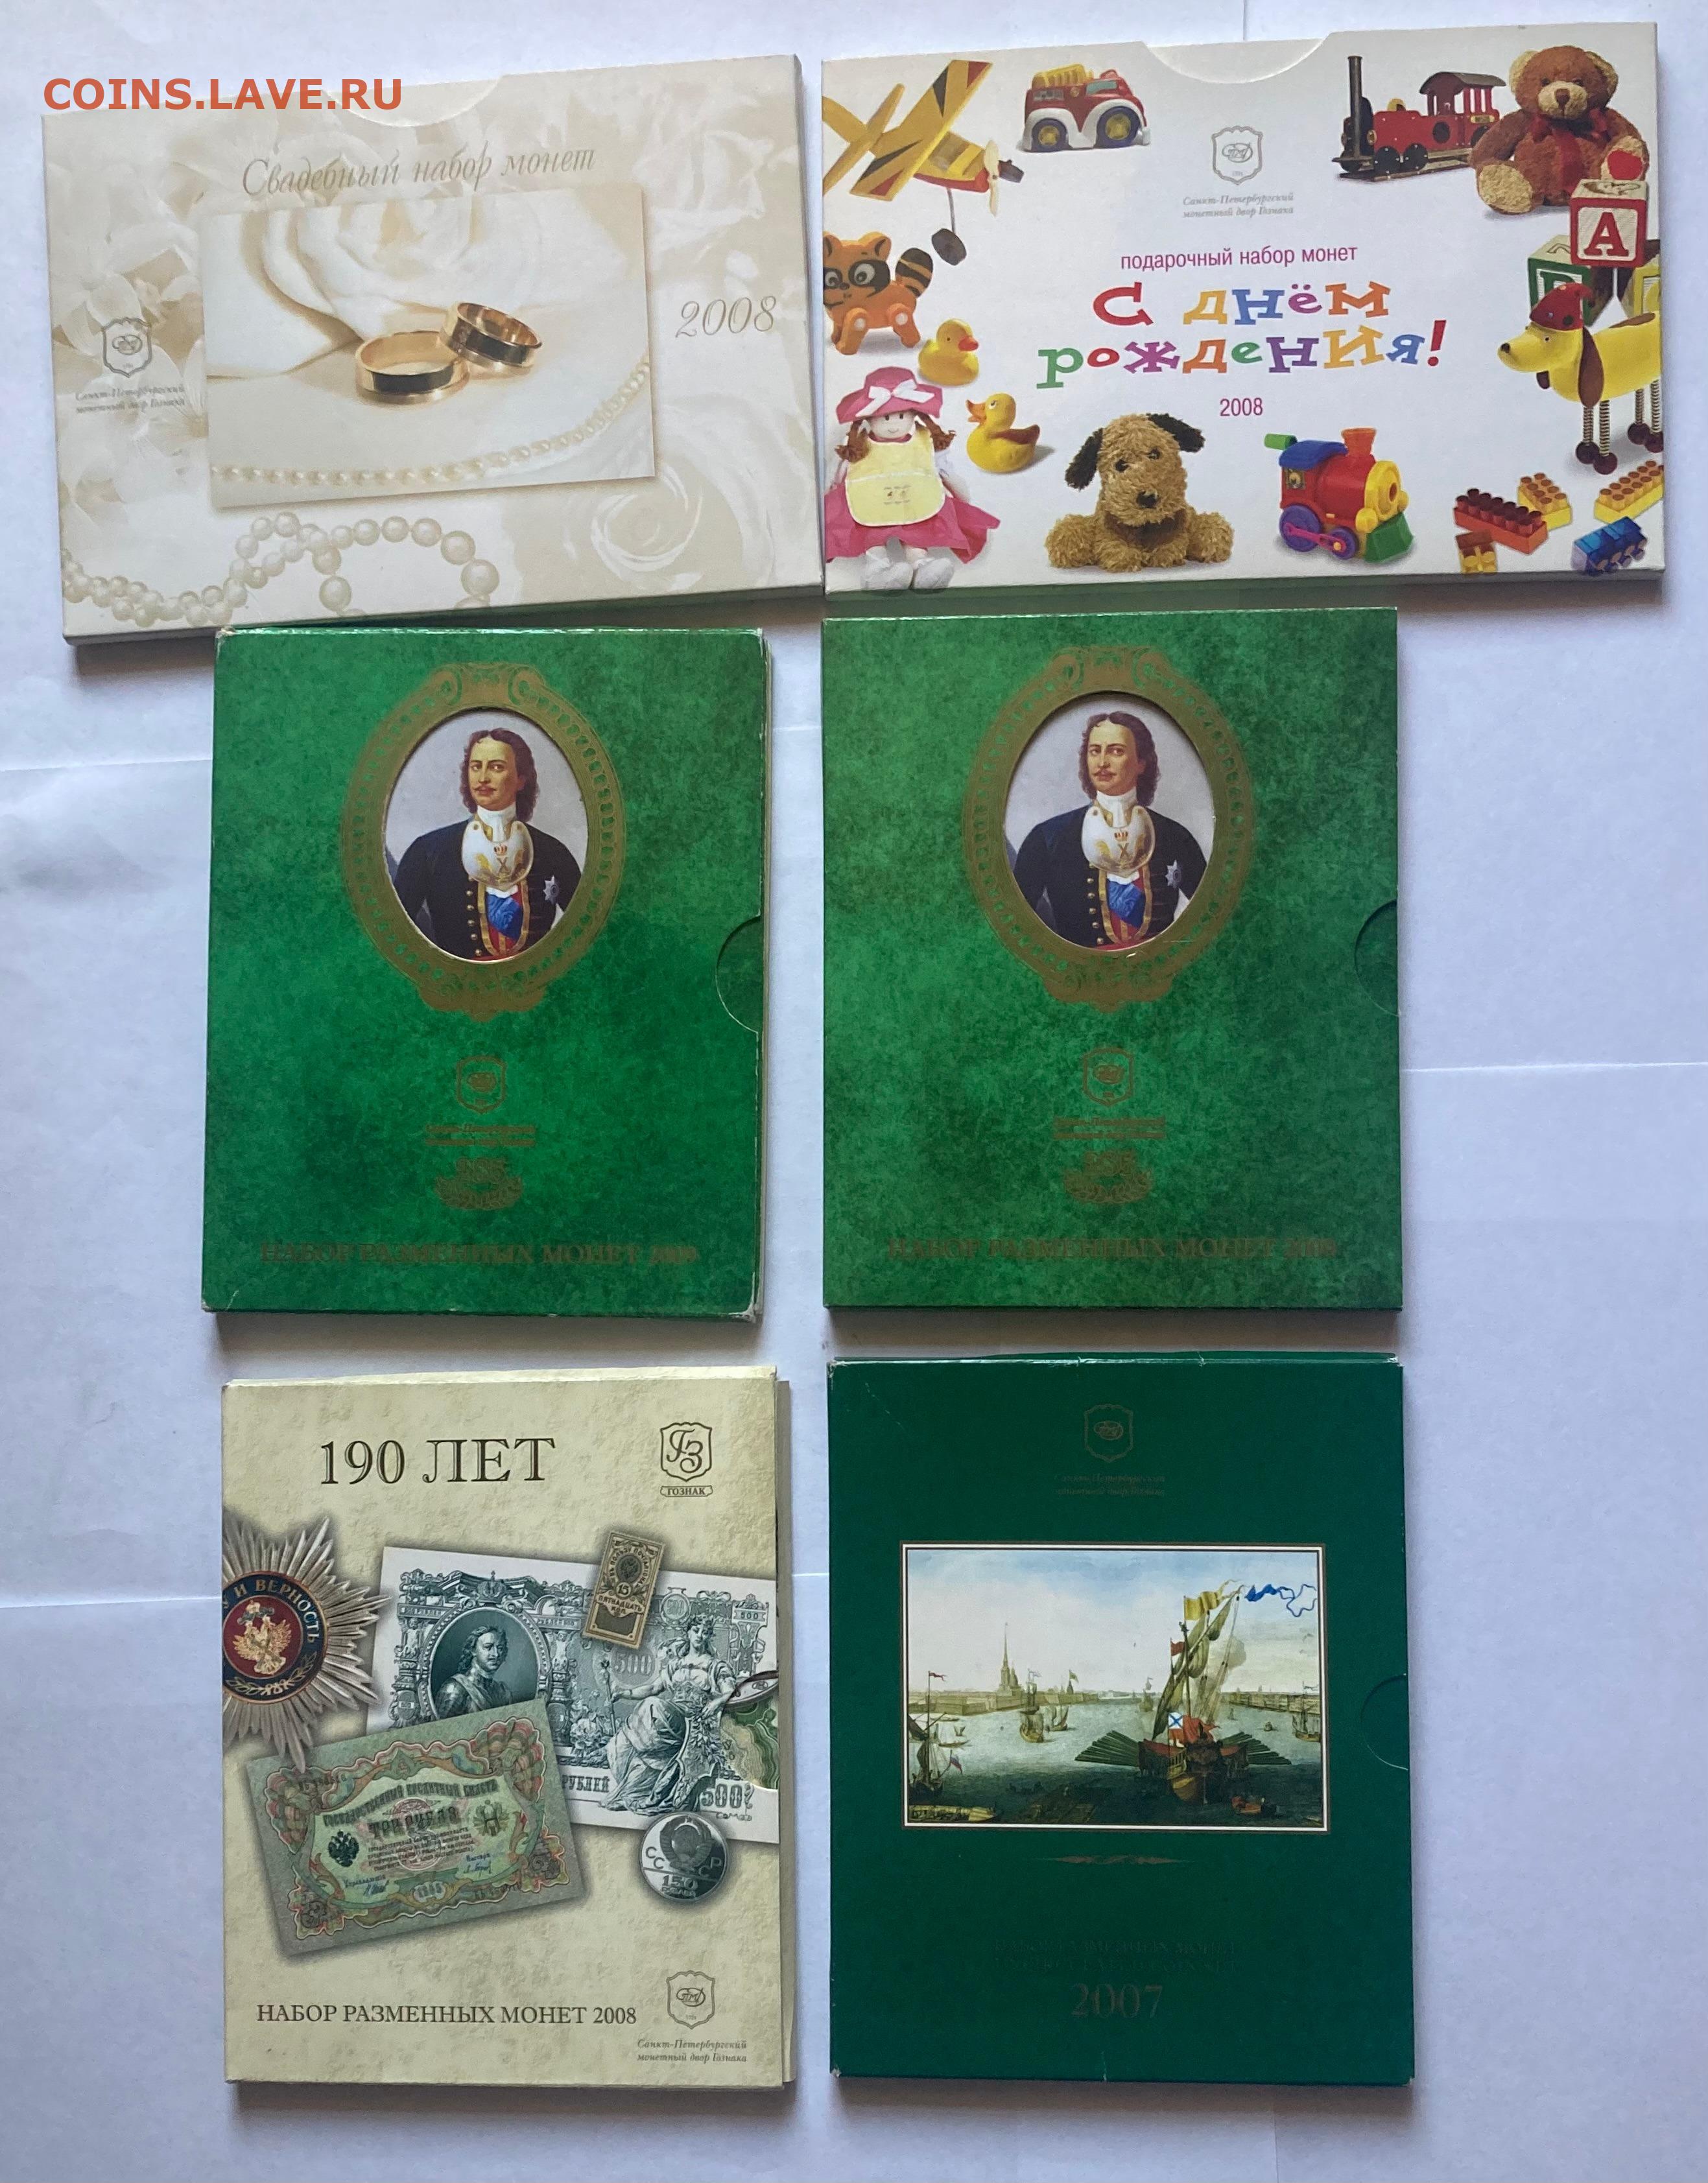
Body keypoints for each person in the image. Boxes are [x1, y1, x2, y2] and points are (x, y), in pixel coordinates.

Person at [1012, 711, 1207, 950]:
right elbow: (1015, 927)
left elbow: (1212, 915)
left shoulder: (1175, 836)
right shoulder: (1047, 838)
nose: (1102, 762)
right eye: (1095, 751)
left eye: (1116, 751)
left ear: (1141, 763)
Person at [392, 718, 581, 960]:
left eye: (496, 767)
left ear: (521, 779)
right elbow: (395, 937)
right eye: (475, 767)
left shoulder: (552, 852)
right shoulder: (428, 851)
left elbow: (587, 931)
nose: (482, 777)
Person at [603, 1618, 736, 1817]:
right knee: (621, 1742)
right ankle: (642, 1758)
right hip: (672, 1714)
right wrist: (624, 1693)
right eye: (696, 1630)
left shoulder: (716, 1666)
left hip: (692, 1720)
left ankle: (644, 1744)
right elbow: (653, 1688)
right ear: (688, 1632)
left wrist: (715, 1703)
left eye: (705, 1632)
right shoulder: (675, 1665)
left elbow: (732, 1692)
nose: (700, 1636)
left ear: (709, 1636)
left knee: (653, 1705)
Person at [434, 1623, 516, 1716]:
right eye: (488, 1647)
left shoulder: (502, 1691)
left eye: (500, 1648)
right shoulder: (455, 1689)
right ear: (473, 1650)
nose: (496, 1654)